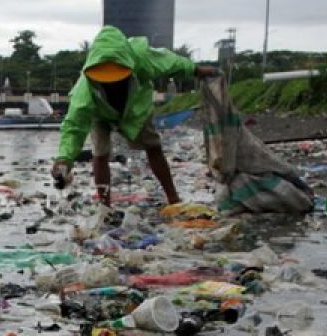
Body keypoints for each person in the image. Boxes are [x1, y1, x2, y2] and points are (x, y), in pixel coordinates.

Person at [51, 26, 218, 206]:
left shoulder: (141, 57)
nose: (112, 84)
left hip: (135, 109)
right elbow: (73, 127)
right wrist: (64, 158)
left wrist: (195, 70)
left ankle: (173, 198)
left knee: (154, 147)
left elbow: (170, 62)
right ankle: (104, 206)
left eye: (117, 78)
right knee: (100, 154)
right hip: (100, 113)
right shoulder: (84, 92)